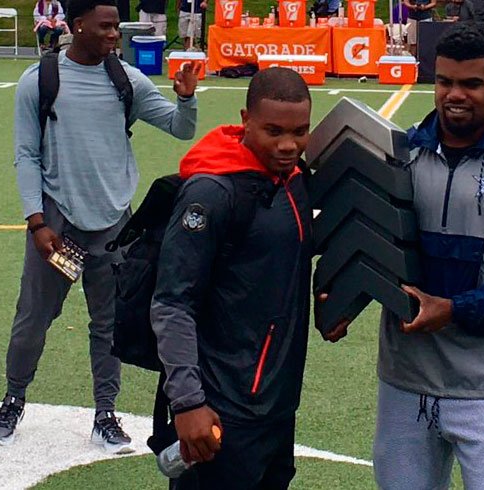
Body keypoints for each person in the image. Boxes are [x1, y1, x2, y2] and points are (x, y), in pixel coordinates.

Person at [327, 22, 484, 489]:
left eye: (471, 83)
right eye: (444, 81)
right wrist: (341, 302)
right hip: (406, 379)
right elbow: (369, 241)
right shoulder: (399, 155)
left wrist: (456, 311)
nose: (454, 94)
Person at [0, 0, 198, 452]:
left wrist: (186, 97)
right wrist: (37, 222)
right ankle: (13, 397)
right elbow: (26, 155)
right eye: (105, 27)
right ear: (76, 26)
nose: (114, 34)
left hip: (113, 229)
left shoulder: (127, 80)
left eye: (115, 27)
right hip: (58, 228)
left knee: (108, 325)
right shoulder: (40, 81)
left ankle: (106, 413)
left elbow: (181, 129)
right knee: (34, 321)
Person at [152, 67, 313, 490]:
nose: (287, 145)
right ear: (245, 120)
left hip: (276, 405)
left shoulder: (292, 181)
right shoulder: (211, 193)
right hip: (221, 408)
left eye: (300, 132)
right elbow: (172, 302)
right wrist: (187, 403)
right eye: (273, 130)